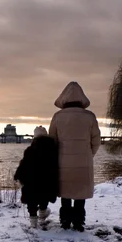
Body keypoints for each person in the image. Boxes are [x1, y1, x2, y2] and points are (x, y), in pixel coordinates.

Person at [49, 82, 101, 231]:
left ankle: (65, 221)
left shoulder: (58, 116)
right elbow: (96, 140)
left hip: (63, 161)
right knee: (80, 192)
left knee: (66, 193)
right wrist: (89, 154)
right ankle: (78, 222)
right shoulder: (90, 116)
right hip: (83, 161)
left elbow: (52, 140)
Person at [14, 126, 59, 228]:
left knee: (32, 200)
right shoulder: (53, 149)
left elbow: (24, 165)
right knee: (44, 197)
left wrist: (18, 175)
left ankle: (33, 220)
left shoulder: (30, 150)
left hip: (31, 181)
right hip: (47, 180)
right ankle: (43, 212)